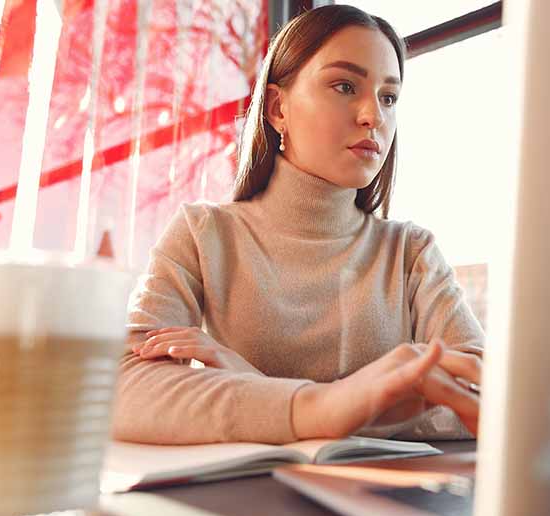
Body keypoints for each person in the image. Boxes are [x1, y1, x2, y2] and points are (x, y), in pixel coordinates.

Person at [111, 5, 485, 445]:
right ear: (277, 107)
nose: (374, 116)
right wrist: (321, 407)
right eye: (345, 86)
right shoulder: (202, 233)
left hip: (388, 502)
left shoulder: (411, 251)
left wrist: (265, 387)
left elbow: (487, 400)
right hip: (243, 502)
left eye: (389, 97)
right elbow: (120, 389)